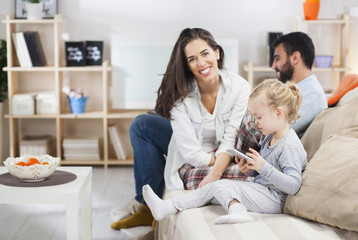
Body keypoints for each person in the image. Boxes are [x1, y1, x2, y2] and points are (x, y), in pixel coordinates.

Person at [110, 28, 250, 230]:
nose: (201, 63)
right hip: (196, 150)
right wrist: (219, 164)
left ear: (217, 53)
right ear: (186, 65)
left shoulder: (240, 87)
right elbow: (191, 153)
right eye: (192, 59)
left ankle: (145, 207)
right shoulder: (179, 94)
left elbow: (231, 136)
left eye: (205, 54)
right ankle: (147, 207)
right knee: (141, 125)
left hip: (223, 149)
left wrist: (217, 169)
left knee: (143, 125)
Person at [142, 78, 307, 224]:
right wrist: (251, 171)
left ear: (278, 113)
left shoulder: (289, 145)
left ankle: (238, 212)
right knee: (212, 188)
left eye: (259, 116)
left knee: (221, 186)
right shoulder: (269, 137)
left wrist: (263, 167)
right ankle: (168, 207)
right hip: (264, 191)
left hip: (276, 200)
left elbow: (293, 185)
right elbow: (267, 175)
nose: (256, 122)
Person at [271, 31, 327, 137]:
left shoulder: (311, 95)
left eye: (277, 58)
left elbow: (273, 130)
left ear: (295, 58)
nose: (274, 65)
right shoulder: (296, 90)